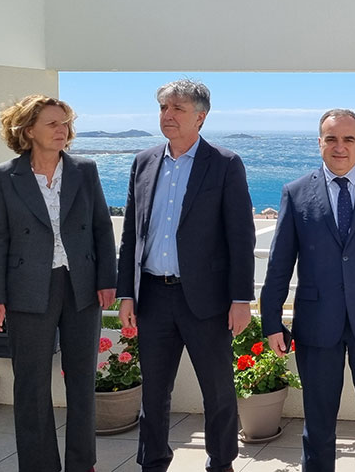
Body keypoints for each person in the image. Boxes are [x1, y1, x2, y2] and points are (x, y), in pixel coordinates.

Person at [261, 109, 355, 472]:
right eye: (331, 139)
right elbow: (280, 263)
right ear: (319, 143)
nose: (340, 147)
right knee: (318, 423)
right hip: (317, 324)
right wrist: (271, 322)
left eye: (348, 139)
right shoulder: (296, 193)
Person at [116, 79, 255, 472]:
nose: (167, 116)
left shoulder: (225, 164)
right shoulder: (144, 162)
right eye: (163, 108)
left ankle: (222, 463)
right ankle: (153, 462)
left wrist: (240, 299)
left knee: (219, 391)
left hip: (206, 300)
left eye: (177, 109)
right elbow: (131, 234)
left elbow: (241, 237)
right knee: (154, 392)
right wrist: (128, 293)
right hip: (153, 298)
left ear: (201, 117)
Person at [0, 94, 116, 472]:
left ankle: (82, 463)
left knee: (82, 381)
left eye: (66, 123)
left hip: (81, 287)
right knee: (31, 386)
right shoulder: (5, 175)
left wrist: (108, 279)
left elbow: (103, 228)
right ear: (28, 131)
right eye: (53, 124)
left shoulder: (84, 170)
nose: (63, 130)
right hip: (28, 289)